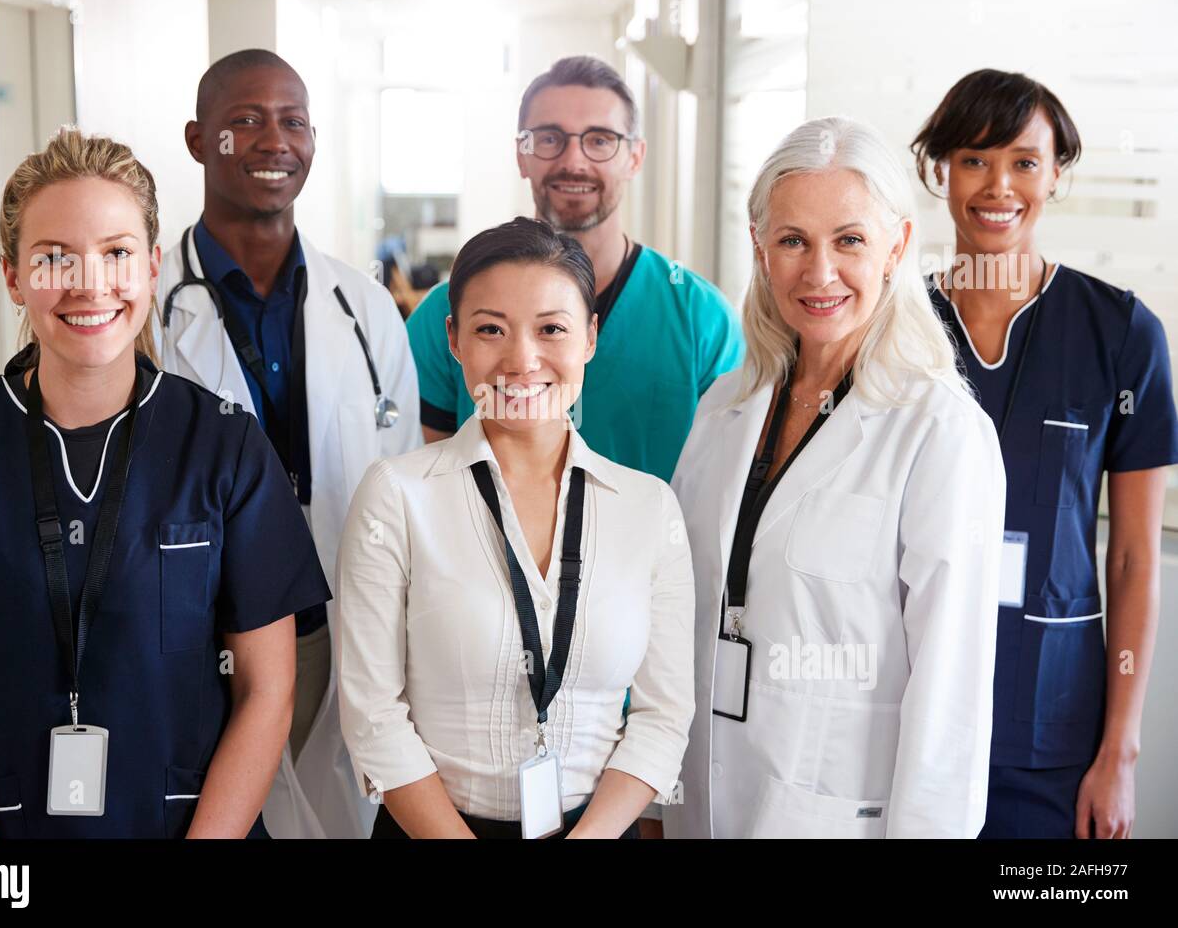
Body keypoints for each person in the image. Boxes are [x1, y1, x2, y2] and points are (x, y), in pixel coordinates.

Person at [0, 128, 327, 837]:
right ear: (13, 276)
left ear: (150, 267)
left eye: (116, 253)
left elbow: (267, 689)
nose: (90, 284)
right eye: (54, 257)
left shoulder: (225, 448)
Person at [663, 117, 1005, 839]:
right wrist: (663, 802)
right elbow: (683, 626)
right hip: (702, 803)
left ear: (897, 247)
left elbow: (951, 701)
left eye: (849, 240)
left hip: (834, 816)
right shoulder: (725, 406)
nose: (819, 273)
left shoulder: (940, 432)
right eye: (792, 241)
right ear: (760, 248)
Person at [337, 217, 694, 838]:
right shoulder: (397, 496)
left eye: (551, 329)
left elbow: (664, 716)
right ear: (453, 340)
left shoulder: (647, 507)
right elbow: (372, 714)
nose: (521, 360)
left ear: (590, 337)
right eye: (490, 329)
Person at [156, 49, 421, 839]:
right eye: (246, 120)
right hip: (205, 631)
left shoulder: (366, 307)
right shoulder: (146, 312)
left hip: (340, 626)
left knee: (332, 804)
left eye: (294, 121)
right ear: (200, 140)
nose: (275, 140)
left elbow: (402, 483)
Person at [912, 69, 1178, 839]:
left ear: (1057, 173)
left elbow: (1131, 559)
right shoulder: (897, 331)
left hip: (1051, 731)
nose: (999, 185)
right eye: (974, 159)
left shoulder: (1121, 334)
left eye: (1025, 161)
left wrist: (1118, 753)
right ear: (940, 171)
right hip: (910, 714)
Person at [406, 55, 742, 482]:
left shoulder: (702, 320)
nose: (574, 161)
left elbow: (725, 492)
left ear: (635, 157)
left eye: (600, 140)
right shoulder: (448, 313)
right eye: (549, 139)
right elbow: (425, 486)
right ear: (522, 155)